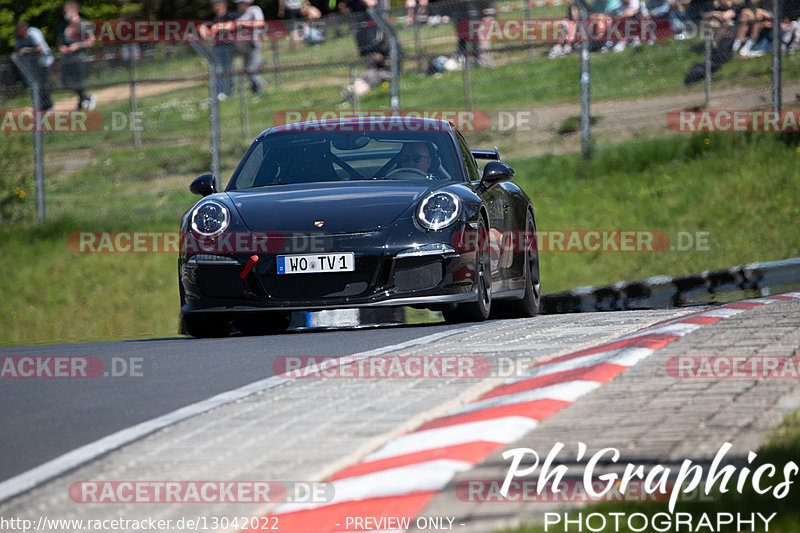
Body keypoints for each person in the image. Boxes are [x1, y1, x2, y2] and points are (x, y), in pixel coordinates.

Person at [59, 1, 95, 110]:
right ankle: (86, 99)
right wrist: (62, 47)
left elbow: (91, 41)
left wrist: (78, 45)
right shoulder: (64, 25)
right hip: (68, 59)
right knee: (66, 82)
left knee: (78, 82)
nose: (65, 14)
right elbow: (60, 40)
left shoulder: (83, 24)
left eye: (66, 12)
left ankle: (81, 104)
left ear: (73, 11)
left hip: (80, 57)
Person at [201, 0, 238, 99]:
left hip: (229, 45)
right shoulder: (211, 18)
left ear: (223, 5)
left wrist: (217, 27)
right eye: (213, 5)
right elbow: (202, 27)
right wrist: (205, 31)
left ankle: (231, 90)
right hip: (217, 46)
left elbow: (232, 25)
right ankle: (220, 92)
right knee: (219, 69)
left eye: (216, 5)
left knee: (229, 68)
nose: (214, 7)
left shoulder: (230, 15)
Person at [13, 21, 54, 111]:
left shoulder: (33, 32)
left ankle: (48, 105)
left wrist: (26, 50)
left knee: (42, 85)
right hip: (33, 66)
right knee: (35, 85)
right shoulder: (19, 38)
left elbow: (39, 48)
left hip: (44, 62)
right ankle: (40, 106)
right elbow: (17, 50)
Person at [234, 0, 265, 93]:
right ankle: (256, 85)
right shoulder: (239, 14)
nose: (238, 5)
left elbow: (260, 23)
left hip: (253, 42)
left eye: (240, 3)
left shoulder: (254, 10)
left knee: (251, 67)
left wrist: (245, 24)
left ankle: (257, 88)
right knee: (248, 67)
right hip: (243, 44)